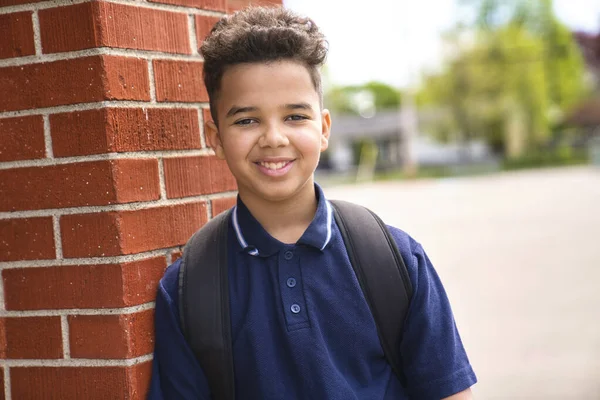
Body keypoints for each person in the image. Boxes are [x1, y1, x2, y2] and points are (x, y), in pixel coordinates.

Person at [149, 6, 477, 400]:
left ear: (323, 129)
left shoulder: (394, 259)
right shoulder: (189, 288)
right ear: (216, 139)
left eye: (294, 116)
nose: (273, 138)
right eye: (246, 121)